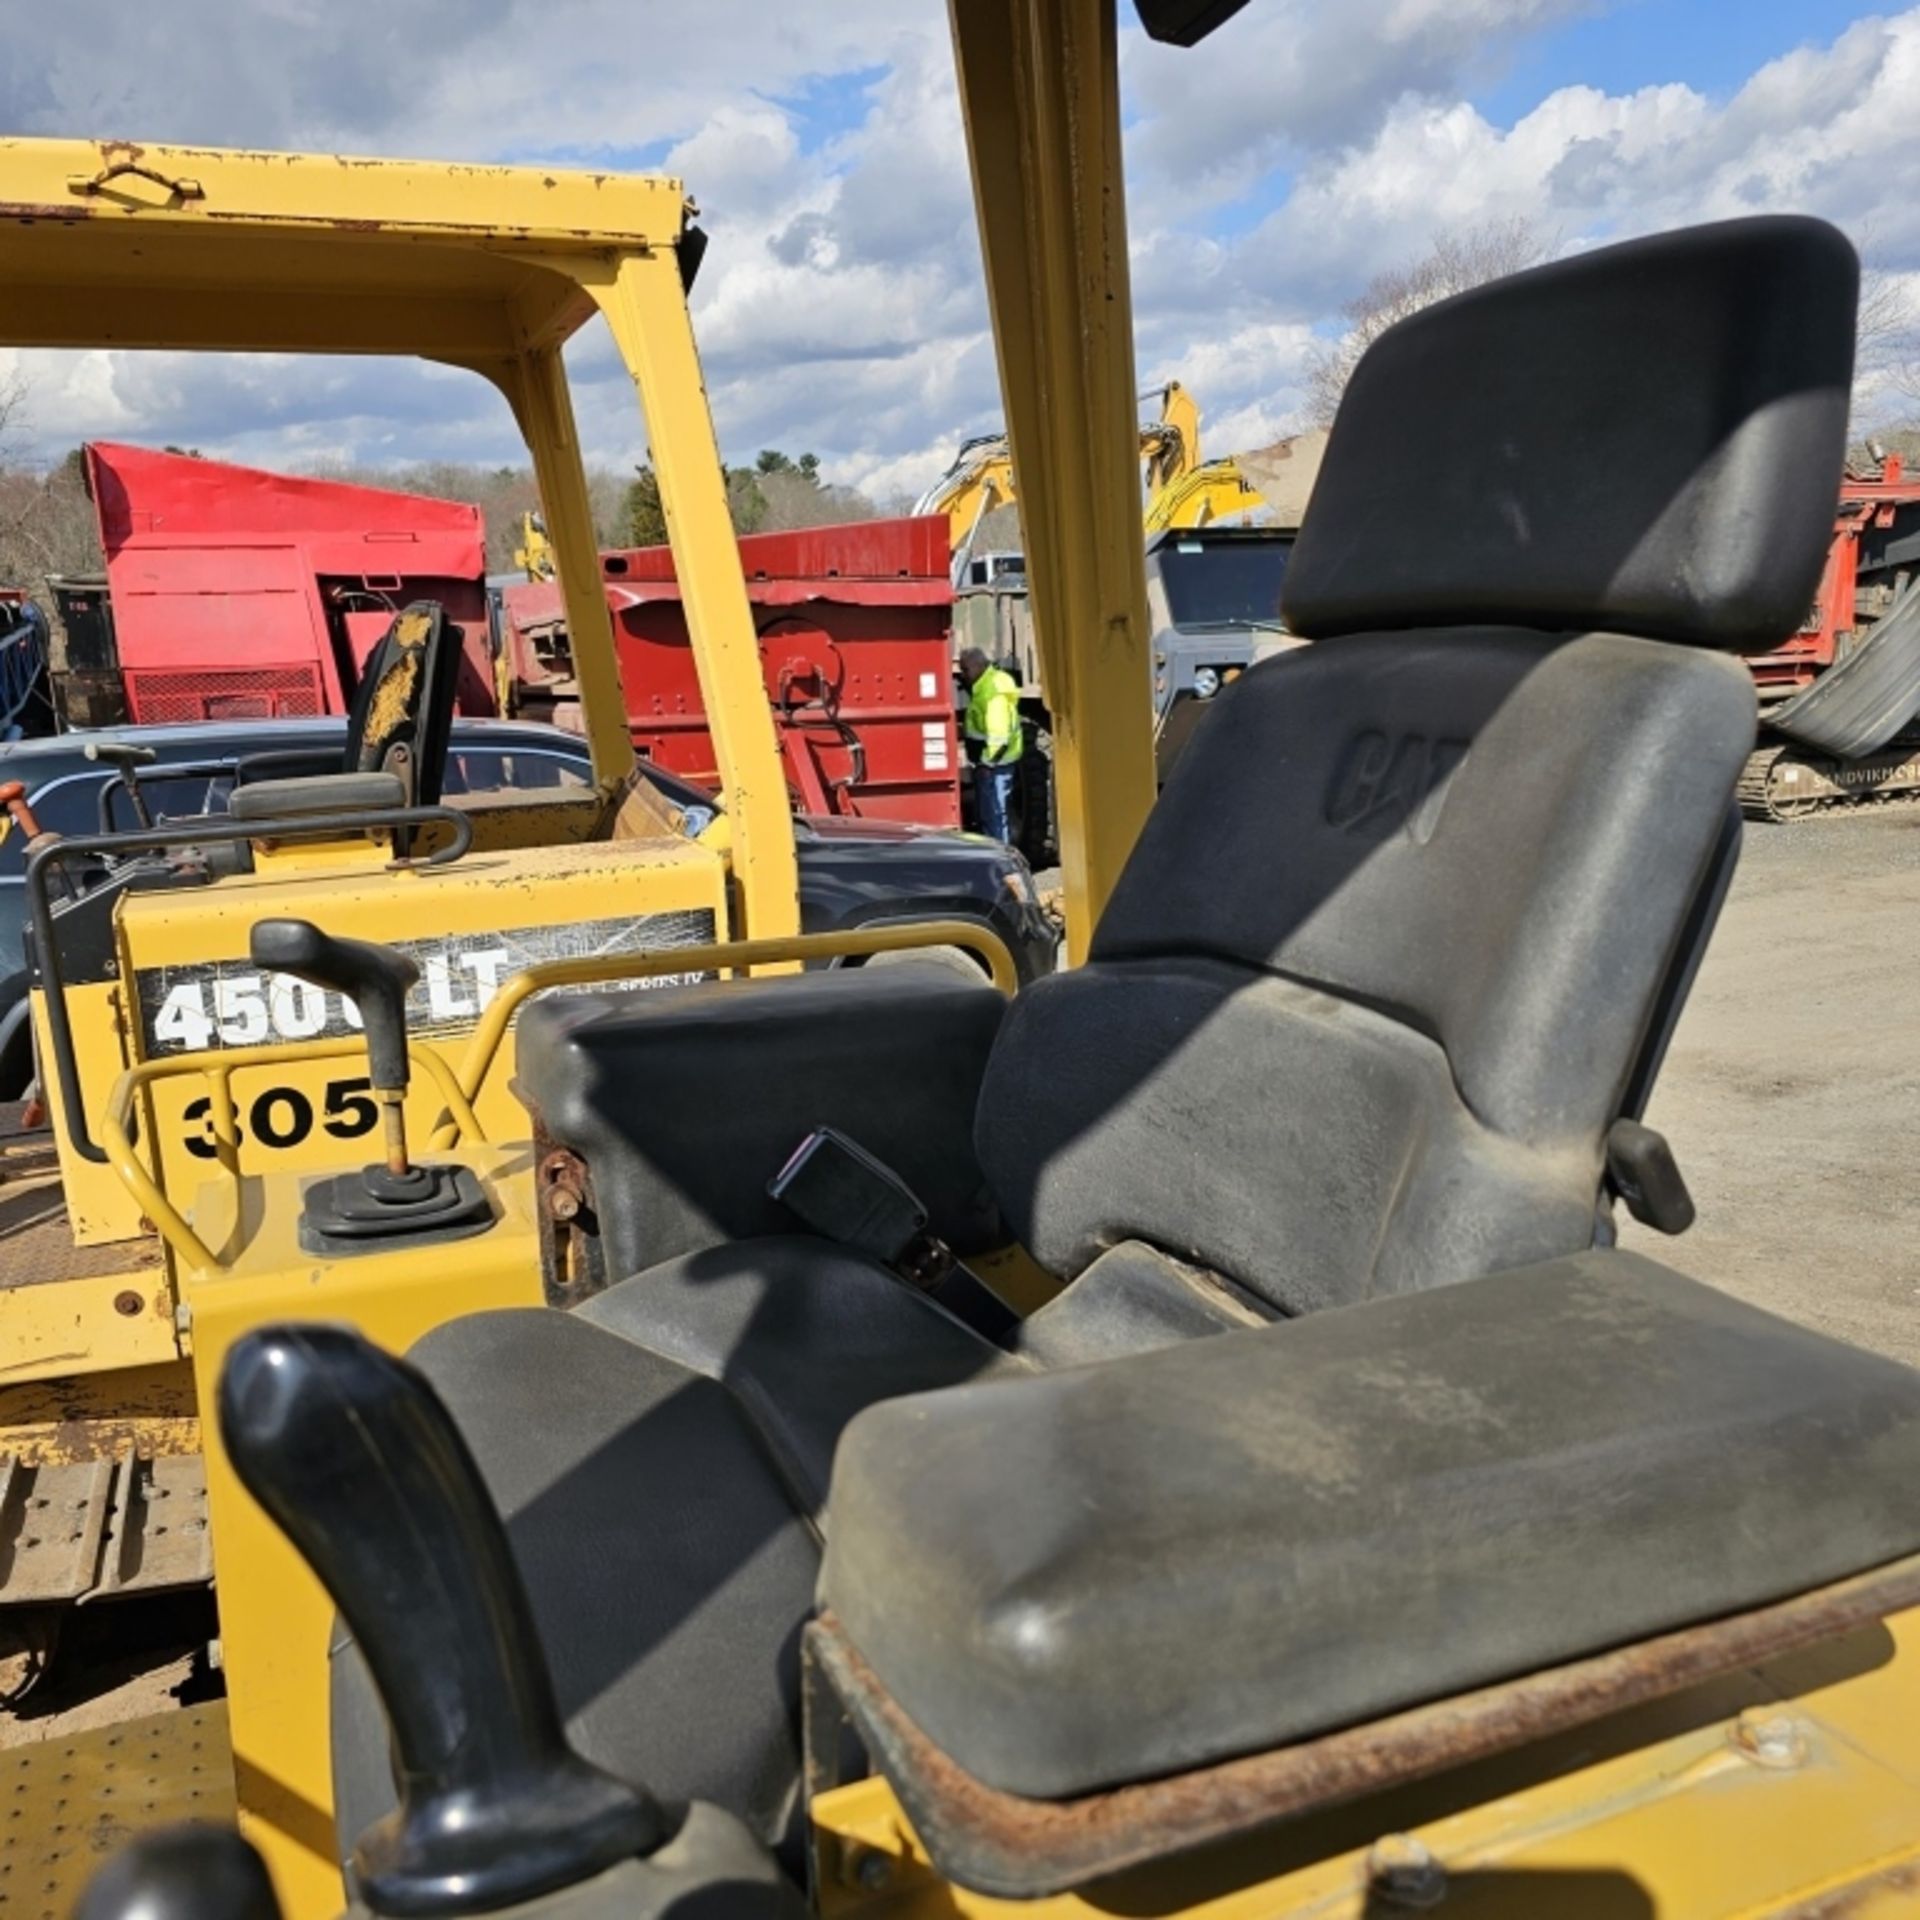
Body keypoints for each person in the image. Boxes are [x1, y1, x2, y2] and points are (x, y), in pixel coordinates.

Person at [959, 646, 1024, 845]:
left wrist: (987, 763)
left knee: (995, 813)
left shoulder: (992, 690)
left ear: (978, 666)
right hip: (991, 761)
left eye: (965, 669)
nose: (963, 675)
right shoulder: (987, 685)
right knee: (991, 813)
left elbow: (999, 735)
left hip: (995, 764)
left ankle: (1000, 860)